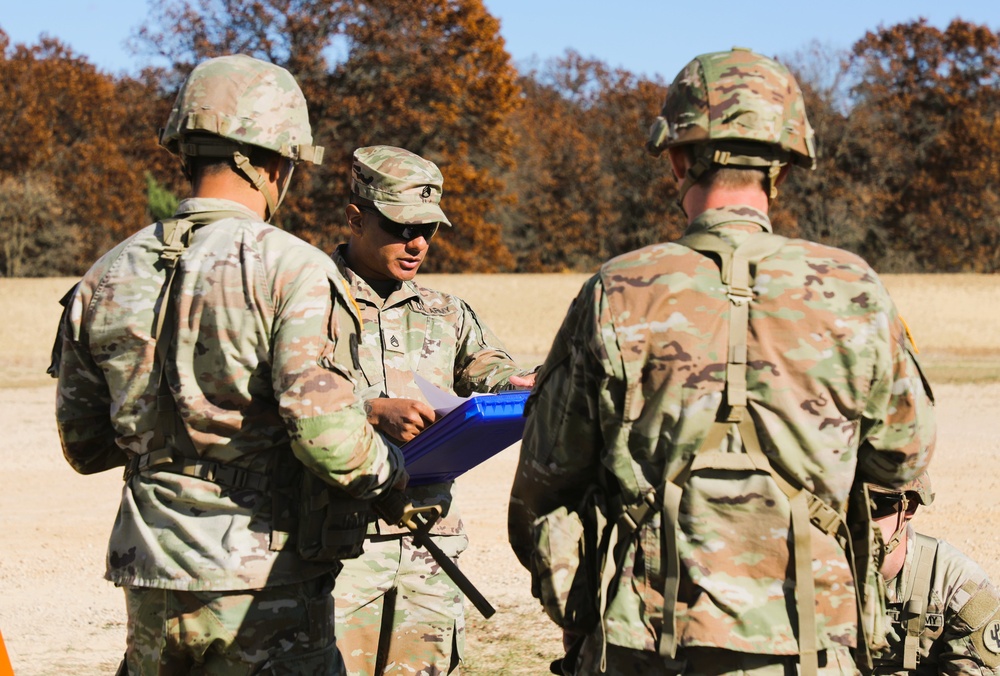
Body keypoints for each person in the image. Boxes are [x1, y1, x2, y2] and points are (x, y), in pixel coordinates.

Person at [508, 47, 937, 676]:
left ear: (677, 157)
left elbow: (546, 480)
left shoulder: (618, 289)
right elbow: (902, 459)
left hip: (648, 643)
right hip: (806, 643)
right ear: (783, 165)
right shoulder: (854, 289)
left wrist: (584, 617)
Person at [50, 54, 405, 674]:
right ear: (270, 162)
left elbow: (84, 445)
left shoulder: (104, 274)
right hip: (264, 583)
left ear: (186, 151)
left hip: (153, 578)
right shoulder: (293, 268)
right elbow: (329, 443)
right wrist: (392, 470)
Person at [331, 145, 535, 676]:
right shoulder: (307, 299)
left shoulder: (445, 312)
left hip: (428, 548)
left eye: (429, 229)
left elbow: (490, 369)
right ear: (356, 217)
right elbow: (272, 400)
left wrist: (521, 382)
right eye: (401, 227)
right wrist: (368, 411)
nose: (417, 243)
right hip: (335, 551)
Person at [867, 474, 1000, 675]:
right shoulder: (810, 574)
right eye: (842, 502)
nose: (854, 516)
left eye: (873, 503)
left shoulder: (958, 588)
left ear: (908, 506)